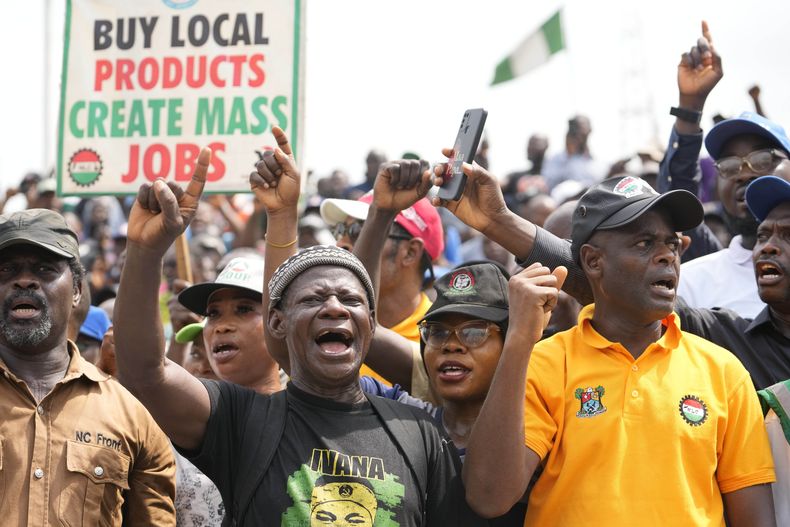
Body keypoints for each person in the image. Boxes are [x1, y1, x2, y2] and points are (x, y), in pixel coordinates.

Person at [114, 130, 471, 525]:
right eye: (313, 299)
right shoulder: (242, 421)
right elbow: (145, 375)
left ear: (371, 326)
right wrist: (146, 252)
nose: (334, 307)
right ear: (278, 323)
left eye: (350, 301)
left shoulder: (419, 431)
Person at [459, 177, 776, 525]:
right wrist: (519, 341)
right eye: (644, 243)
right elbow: (489, 497)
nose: (666, 256)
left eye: (672, 244)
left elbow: (754, 519)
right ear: (593, 262)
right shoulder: (546, 362)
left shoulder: (723, 372)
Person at [0, 208, 176, 525]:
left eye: (44, 269)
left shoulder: (133, 418)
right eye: (6, 270)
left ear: (78, 290)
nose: (24, 280)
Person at [656, 21, 789, 317]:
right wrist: (689, 106)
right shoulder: (696, 282)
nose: (744, 173)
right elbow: (679, 196)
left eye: (763, 160)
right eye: (728, 166)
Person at [541, 115, 605, 190]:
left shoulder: (598, 162)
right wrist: (569, 155)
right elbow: (549, 184)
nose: (578, 134)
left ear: (589, 130)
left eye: (581, 129)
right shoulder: (555, 159)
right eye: (575, 129)